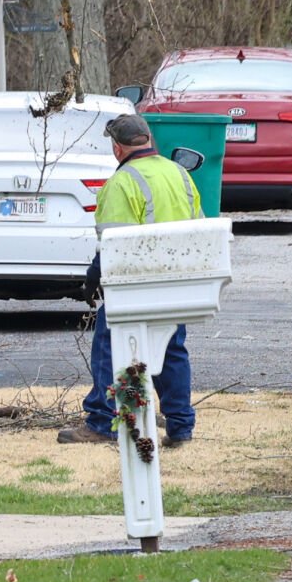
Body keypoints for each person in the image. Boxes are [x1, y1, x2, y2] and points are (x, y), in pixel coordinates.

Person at [57, 114, 203, 447]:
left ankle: (101, 422)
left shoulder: (122, 183)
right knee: (172, 353)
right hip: (177, 284)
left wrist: (92, 279)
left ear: (117, 148)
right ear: (148, 140)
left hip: (137, 287)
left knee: (109, 347)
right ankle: (181, 429)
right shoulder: (179, 174)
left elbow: (114, 246)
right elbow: (198, 230)